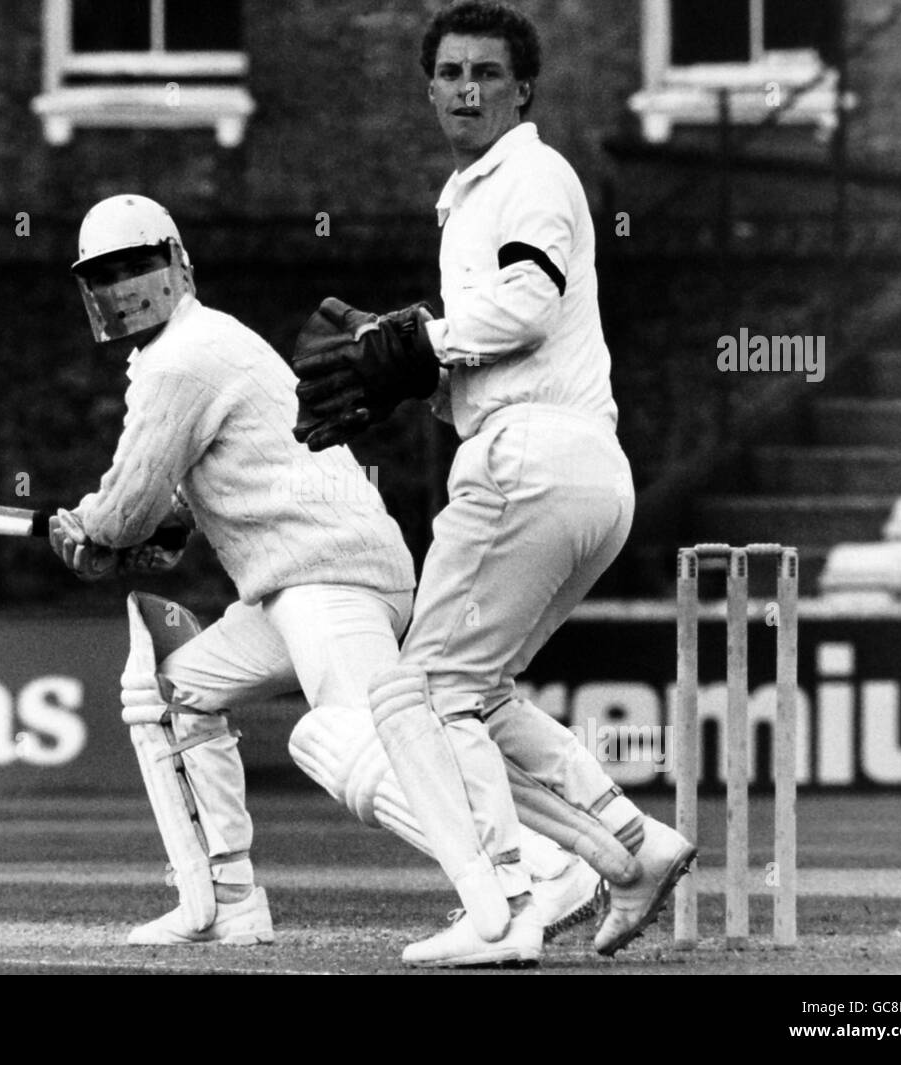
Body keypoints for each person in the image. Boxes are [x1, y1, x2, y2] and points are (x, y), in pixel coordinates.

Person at [47, 192, 611, 948]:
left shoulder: (184, 356)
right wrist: (147, 535)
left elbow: (129, 502)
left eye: (136, 266)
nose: (123, 287)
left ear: (180, 265)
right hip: (292, 583)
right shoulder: (184, 350)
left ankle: (542, 871)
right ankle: (222, 899)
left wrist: (91, 530)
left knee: (355, 740)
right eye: (107, 274)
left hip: (329, 573)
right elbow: (182, 494)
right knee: (166, 689)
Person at [290, 0, 696, 966]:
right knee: (474, 689)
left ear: (523, 90)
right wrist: (409, 374)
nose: (467, 88)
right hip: (575, 469)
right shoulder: (472, 192)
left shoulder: (531, 174)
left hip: (533, 462)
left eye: (487, 73)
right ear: (430, 88)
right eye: (451, 73)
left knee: (414, 697)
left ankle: (504, 904)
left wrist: (414, 341)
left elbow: (525, 304)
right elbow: (498, 351)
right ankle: (629, 847)